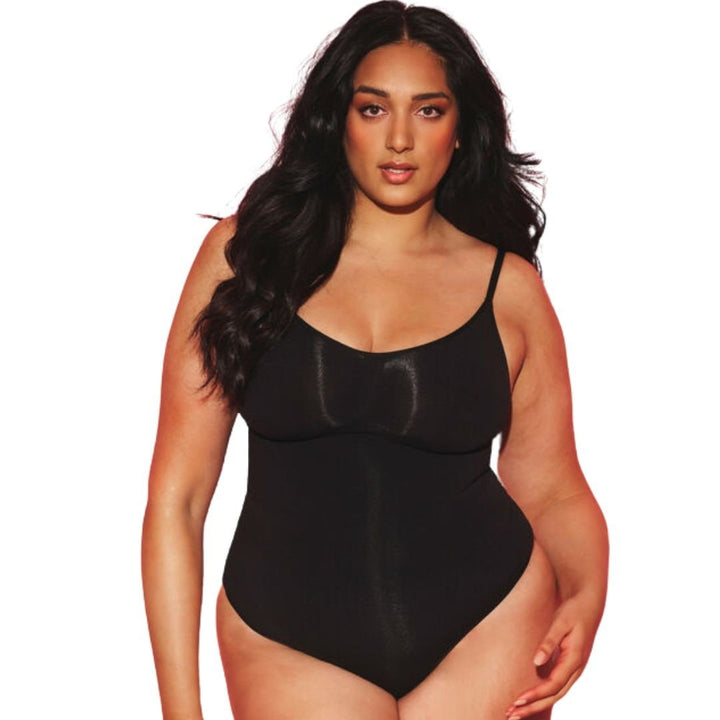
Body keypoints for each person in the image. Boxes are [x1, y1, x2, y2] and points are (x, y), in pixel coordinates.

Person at [141, 2, 609, 718]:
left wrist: (586, 595)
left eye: (428, 110)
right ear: (339, 120)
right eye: (373, 108)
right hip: (286, 632)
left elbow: (552, 488)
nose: (399, 138)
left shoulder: (509, 288)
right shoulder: (246, 260)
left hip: (490, 619)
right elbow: (178, 501)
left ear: (461, 128)